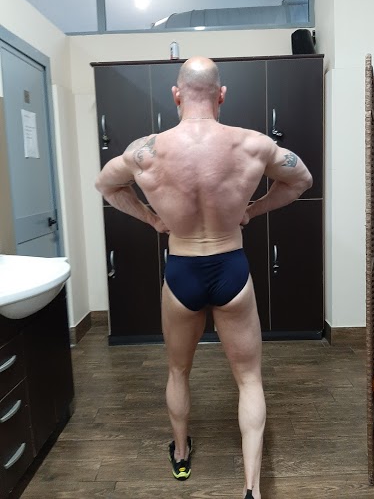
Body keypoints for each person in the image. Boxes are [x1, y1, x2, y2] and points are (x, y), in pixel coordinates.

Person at [95, 56, 312, 499]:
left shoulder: (145, 151)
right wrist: (253, 210)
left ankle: (180, 454)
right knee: (249, 379)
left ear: (176, 95)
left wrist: (152, 219)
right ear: (221, 95)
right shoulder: (252, 144)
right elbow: (301, 180)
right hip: (231, 268)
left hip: (182, 272)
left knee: (178, 370)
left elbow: (106, 185)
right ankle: (252, 489)